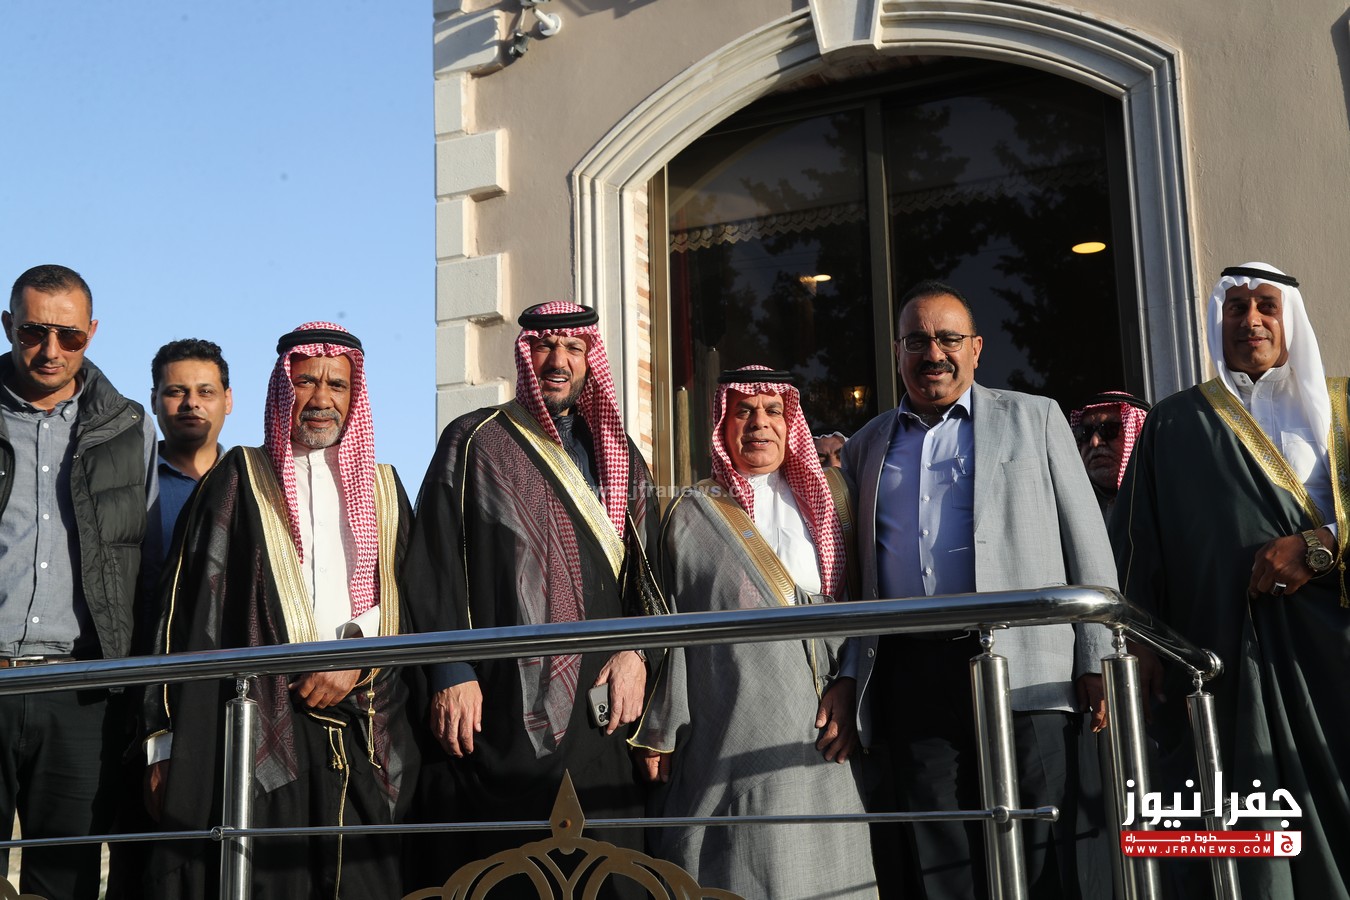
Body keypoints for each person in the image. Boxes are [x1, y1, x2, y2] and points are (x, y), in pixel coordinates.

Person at [841, 280, 1116, 900]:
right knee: (940, 854)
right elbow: (853, 574)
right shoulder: (866, 446)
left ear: (976, 348)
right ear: (897, 350)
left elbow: (1087, 542)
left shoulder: (1035, 417)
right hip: (912, 670)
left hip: (1027, 666)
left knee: (1040, 844)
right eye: (917, 341)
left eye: (948, 338)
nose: (933, 354)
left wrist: (1096, 657)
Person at [142, 322, 416, 899]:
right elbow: (184, 614)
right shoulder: (238, 479)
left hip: (366, 722)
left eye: (337, 385)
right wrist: (163, 743)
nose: (321, 398)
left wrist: (354, 653)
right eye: (306, 382)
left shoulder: (386, 489)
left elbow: (411, 600)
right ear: (281, 390)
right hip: (263, 722)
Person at [403, 301, 662, 896]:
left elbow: (651, 574)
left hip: (603, 707)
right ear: (526, 355)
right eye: (546, 347)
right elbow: (435, 563)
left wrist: (639, 652)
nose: (558, 361)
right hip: (500, 705)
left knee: (606, 871)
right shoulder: (475, 440)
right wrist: (451, 669)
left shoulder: (620, 454)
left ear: (591, 360)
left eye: (573, 348)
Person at [1111, 262, 1350, 900]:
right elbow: (1138, 545)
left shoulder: (1343, 409)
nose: (1251, 321)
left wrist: (1321, 546)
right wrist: (1140, 647)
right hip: (1217, 662)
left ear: (1290, 318)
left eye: (1266, 306)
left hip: (1329, 666)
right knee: (1235, 831)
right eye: (1236, 307)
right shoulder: (1173, 423)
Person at [632, 366, 876, 898]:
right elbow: (670, 632)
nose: (758, 423)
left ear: (791, 423)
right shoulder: (690, 512)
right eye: (743, 411)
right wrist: (660, 731)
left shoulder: (836, 500)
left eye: (772, 411)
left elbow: (865, 606)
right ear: (723, 424)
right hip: (728, 728)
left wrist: (853, 683)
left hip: (825, 730)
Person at [0, 264, 155, 899]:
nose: (51, 350)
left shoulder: (129, 428)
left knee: (64, 881)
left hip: (82, 690)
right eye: (33, 332)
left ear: (92, 332)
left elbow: (145, 562)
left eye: (69, 336)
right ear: (8, 326)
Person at [1069, 391, 1150, 520]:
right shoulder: (1070, 507)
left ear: (1137, 433)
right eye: (1085, 432)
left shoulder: (1162, 499)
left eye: (1109, 429)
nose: (1094, 442)